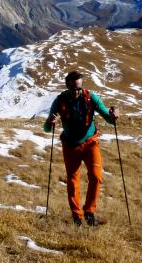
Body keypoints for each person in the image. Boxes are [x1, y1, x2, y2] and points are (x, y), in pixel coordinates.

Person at [44, 70, 118, 226]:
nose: (77, 91)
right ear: (67, 86)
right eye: (73, 88)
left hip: (90, 142)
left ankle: (89, 211)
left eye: (79, 88)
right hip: (70, 145)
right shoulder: (59, 101)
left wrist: (114, 116)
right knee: (72, 181)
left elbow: (109, 118)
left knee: (96, 176)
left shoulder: (91, 98)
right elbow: (46, 129)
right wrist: (51, 122)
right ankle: (77, 217)